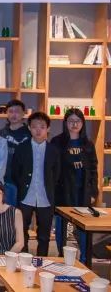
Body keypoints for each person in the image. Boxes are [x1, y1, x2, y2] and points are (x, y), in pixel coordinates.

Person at [11, 111, 60, 257]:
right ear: (29, 128)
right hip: (26, 196)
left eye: (42, 127)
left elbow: (57, 174)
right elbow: (15, 172)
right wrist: (22, 185)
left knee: (44, 235)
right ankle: (24, 260)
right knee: (22, 231)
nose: (38, 130)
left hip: (46, 197)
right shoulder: (22, 148)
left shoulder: (54, 150)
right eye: (34, 127)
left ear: (48, 129)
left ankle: (42, 261)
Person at [52, 108, 98, 258]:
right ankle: (62, 255)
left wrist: (93, 192)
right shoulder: (57, 142)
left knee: (83, 226)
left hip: (82, 191)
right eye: (71, 121)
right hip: (63, 191)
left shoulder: (88, 144)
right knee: (62, 225)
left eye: (77, 121)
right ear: (65, 123)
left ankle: (85, 258)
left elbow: (93, 169)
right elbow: (53, 168)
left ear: (82, 123)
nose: (74, 124)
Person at [0, 99, 31, 205]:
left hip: (23, 181)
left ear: (23, 113)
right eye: (11, 111)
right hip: (4, 180)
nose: (14, 115)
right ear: (6, 113)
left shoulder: (30, 134)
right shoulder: (0, 133)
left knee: (19, 212)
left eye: (17, 111)